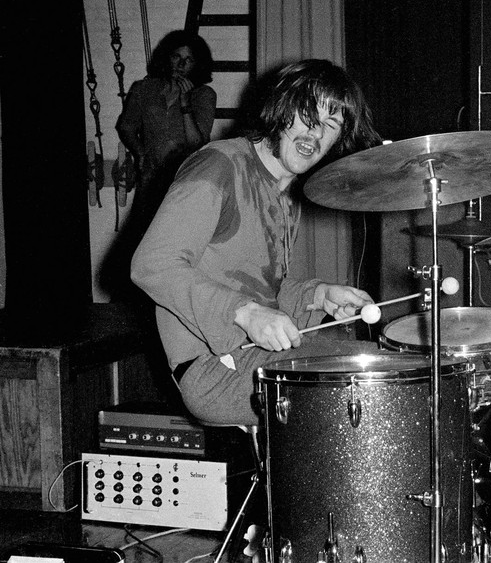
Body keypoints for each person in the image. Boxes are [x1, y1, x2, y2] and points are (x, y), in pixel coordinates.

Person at [131, 59, 381, 425]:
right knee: (377, 375)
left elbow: (259, 290)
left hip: (253, 356)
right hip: (214, 371)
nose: (315, 131)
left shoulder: (285, 195)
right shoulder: (219, 165)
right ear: (280, 109)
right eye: (306, 114)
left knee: (382, 362)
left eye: (331, 124)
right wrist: (246, 314)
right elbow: (151, 264)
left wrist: (318, 295)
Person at [118, 30, 218, 226]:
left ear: (197, 64)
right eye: (176, 57)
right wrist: (140, 153)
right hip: (150, 179)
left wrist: (185, 102)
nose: (181, 65)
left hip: (185, 178)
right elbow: (126, 127)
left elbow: (197, 142)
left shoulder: (204, 95)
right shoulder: (143, 89)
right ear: (166, 58)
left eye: (188, 60)